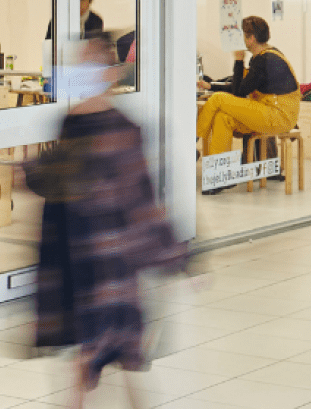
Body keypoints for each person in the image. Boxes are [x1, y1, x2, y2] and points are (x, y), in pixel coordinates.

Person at [23, 33, 187, 409]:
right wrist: (30, 173)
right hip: (77, 259)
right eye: (80, 65)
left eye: (93, 65)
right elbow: (56, 179)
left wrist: (177, 256)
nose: (86, 73)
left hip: (113, 263)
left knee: (115, 353)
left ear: (112, 73)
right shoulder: (69, 123)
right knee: (98, 354)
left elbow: (142, 198)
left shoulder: (123, 128)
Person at [196, 16, 300, 195]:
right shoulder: (265, 55)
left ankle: (193, 141)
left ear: (251, 38)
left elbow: (239, 92)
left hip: (278, 115)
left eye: (242, 36)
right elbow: (244, 86)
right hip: (269, 111)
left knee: (218, 100)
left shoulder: (263, 60)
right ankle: (219, 177)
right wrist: (211, 86)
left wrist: (238, 61)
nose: (241, 40)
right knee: (223, 117)